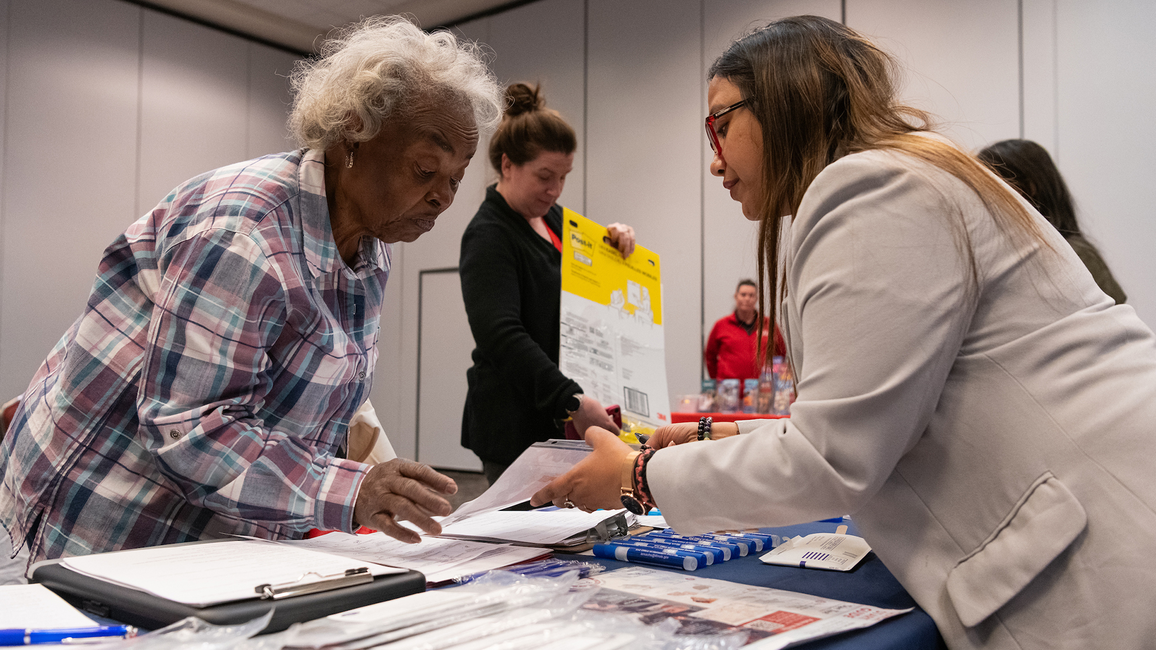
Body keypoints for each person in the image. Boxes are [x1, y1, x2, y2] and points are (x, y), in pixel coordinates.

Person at [532, 15, 1156, 650]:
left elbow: (833, 458)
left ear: (784, 100)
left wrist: (638, 476)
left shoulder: (870, 189)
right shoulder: (909, 173)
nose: (715, 163)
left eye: (721, 124)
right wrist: (711, 434)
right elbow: (882, 414)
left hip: (1102, 552)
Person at [0, 16, 505, 571]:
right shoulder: (246, 234)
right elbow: (188, 428)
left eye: (455, 179)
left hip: (211, 530)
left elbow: (324, 379)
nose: (442, 198)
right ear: (353, 132)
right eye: (426, 168)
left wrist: (377, 477)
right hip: (105, 513)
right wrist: (353, 490)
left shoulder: (368, 243)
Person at [460, 83, 636, 484]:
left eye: (563, 176)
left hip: (559, 415)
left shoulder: (556, 219)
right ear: (508, 165)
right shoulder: (489, 234)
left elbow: (585, 293)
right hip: (515, 424)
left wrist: (614, 245)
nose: (555, 190)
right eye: (544, 176)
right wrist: (570, 399)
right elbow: (500, 335)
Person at [977, 139, 1126, 304]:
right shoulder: (997, 255)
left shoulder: (1075, 255)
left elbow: (1116, 325)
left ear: (1029, 188)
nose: (981, 199)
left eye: (991, 187)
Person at [703, 278, 785, 383]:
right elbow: (710, 357)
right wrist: (718, 382)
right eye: (743, 294)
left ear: (756, 299)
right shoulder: (721, 326)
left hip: (763, 393)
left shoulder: (769, 325)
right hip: (730, 393)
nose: (747, 299)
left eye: (751, 295)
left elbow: (781, 354)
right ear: (736, 296)